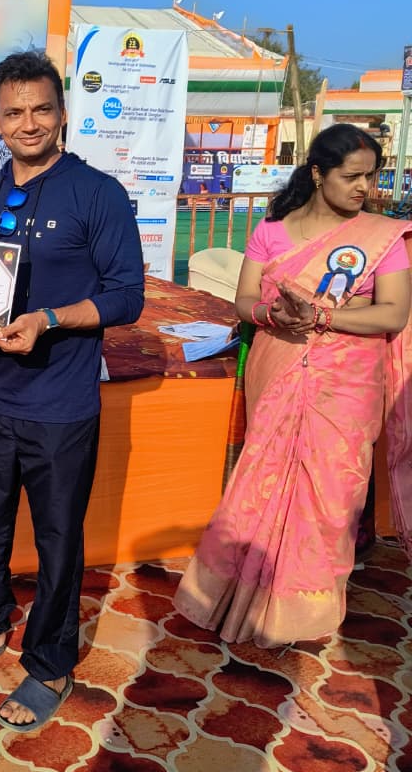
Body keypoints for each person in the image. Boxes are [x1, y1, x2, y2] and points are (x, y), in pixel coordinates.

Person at [0, 50, 144, 731]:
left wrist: (50, 319)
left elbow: (126, 296)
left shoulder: (98, 194)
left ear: (62, 114)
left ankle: (50, 660)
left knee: (57, 540)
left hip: (61, 406)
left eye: (41, 109)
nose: (29, 123)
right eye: (14, 112)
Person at [174, 124, 412, 648]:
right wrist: (272, 314)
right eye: (352, 176)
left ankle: (301, 610)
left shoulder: (383, 238)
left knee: (331, 491)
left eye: (371, 176)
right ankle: (238, 594)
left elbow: (394, 312)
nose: (365, 187)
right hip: (279, 362)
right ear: (318, 174)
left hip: (348, 381)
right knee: (262, 480)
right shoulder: (273, 230)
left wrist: (322, 316)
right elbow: (244, 302)